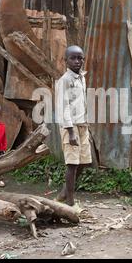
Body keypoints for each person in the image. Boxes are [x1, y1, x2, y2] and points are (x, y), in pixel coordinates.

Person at [55, 45, 92, 206]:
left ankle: (64, 193)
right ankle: (70, 202)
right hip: (70, 127)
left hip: (82, 124)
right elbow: (64, 107)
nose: (77, 61)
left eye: (80, 58)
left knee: (84, 161)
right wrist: (70, 132)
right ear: (66, 61)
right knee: (72, 164)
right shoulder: (64, 81)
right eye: (73, 58)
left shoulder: (82, 78)